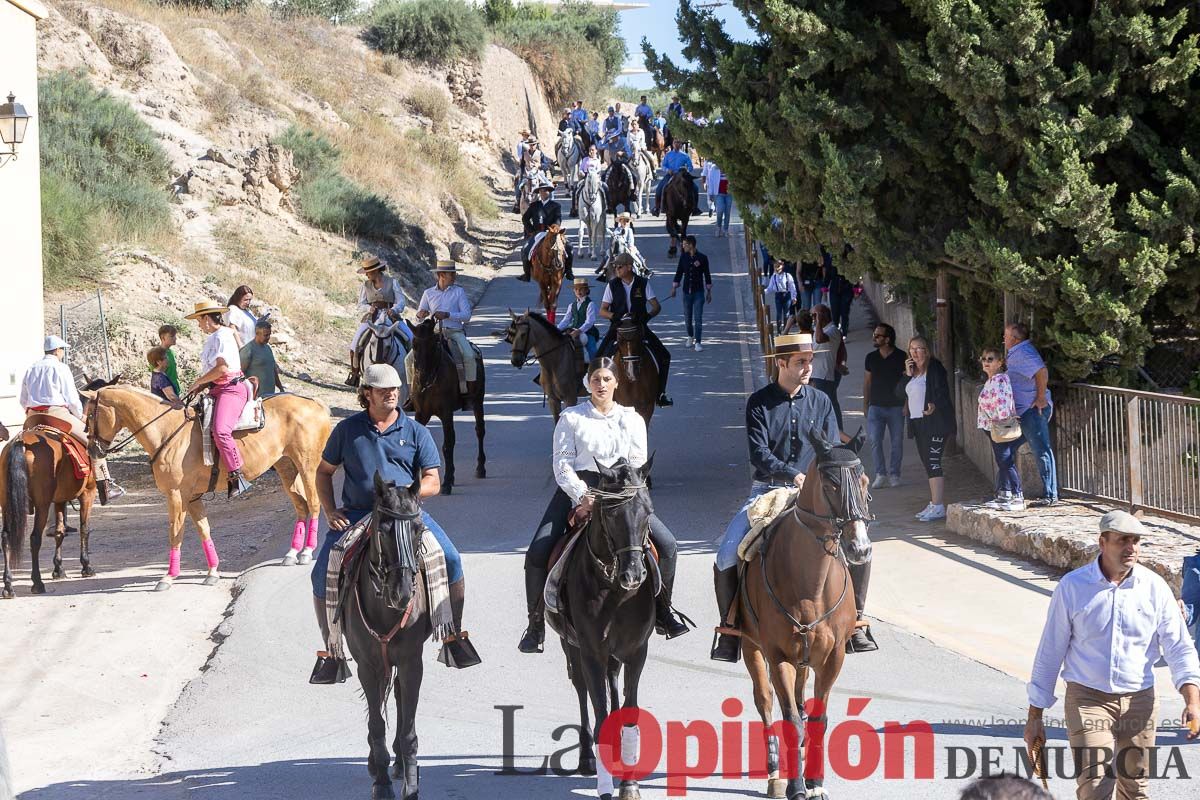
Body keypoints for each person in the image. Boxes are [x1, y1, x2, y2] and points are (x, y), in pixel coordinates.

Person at [710, 333, 876, 661]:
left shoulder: (822, 401)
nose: (807, 368)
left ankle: (857, 622)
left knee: (862, 548)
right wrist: (793, 474)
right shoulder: (759, 403)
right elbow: (758, 453)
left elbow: (829, 450)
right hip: (768, 491)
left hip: (816, 495)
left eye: (810, 361)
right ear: (780, 363)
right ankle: (729, 628)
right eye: (800, 362)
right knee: (726, 553)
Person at [310, 363, 478, 682]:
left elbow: (433, 480)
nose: (391, 394)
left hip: (405, 513)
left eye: (395, 389)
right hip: (358, 513)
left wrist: (409, 494)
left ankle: (452, 636)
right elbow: (323, 472)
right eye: (383, 389)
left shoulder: (416, 431)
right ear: (366, 394)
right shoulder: (347, 430)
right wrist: (330, 511)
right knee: (322, 573)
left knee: (452, 559)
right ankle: (332, 652)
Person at [517, 356, 691, 654]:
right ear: (588, 382)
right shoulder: (571, 418)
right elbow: (562, 464)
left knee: (668, 545)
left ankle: (664, 610)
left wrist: (624, 495)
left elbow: (637, 465)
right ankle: (535, 624)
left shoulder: (632, 419)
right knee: (538, 551)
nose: (601, 384)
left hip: (622, 494)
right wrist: (582, 495)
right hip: (579, 489)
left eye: (607, 379)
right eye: (596, 379)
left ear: (616, 383)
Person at [1024, 511, 1200, 800]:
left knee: (1135, 789)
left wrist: (1192, 700)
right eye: (1122, 540)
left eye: (1135, 541)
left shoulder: (1154, 589)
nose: (1131, 548)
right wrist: (1035, 716)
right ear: (1102, 542)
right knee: (1095, 789)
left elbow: (1179, 647)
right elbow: (1050, 651)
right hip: (1087, 699)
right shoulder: (1073, 587)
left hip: (1140, 700)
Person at [185, 300, 253, 498]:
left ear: (207, 318)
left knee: (221, 431)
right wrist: (202, 385)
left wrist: (198, 382)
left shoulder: (223, 335)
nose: (198, 325)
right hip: (217, 388)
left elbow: (222, 368)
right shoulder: (215, 337)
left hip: (231, 389)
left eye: (199, 320)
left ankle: (236, 475)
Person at [597, 254, 673, 407]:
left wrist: (646, 317)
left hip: (638, 327)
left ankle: (660, 393)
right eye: (615, 267)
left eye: (619, 266)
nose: (616, 269)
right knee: (598, 357)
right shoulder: (612, 285)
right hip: (618, 328)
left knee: (664, 355)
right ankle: (598, 395)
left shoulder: (643, 283)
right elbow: (602, 311)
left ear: (629, 267)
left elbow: (656, 306)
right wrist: (614, 316)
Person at [897, 336, 955, 521]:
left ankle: (939, 506)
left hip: (935, 423)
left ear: (927, 351)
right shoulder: (912, 373)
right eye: (912, 349)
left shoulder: (935, 368)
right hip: (918, 423)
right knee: (927, 464)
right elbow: (897, 393)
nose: (915, 352)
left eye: (919, 348)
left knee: (933, 461)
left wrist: (934, 404)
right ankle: (934, 503)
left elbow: (942, 391)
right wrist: (906, 375)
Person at [1004, 322, 1058, 507]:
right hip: (1024, 411)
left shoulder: (1023, 352)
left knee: (1041, 449)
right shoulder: (1018, 352)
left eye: (1006, 335)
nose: (1003, 338)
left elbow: (1041, 371)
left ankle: (1050, 495)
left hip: (1032, 409)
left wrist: (1041, 397)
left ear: (1014, 338)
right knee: (1006, 450)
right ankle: (1006, 491)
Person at [405, 261, 476, 395]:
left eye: (454, 273)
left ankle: (470, 392)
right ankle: (412, 394)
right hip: (434, 333)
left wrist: (448, 315)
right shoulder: (428, 293)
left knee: (469, 355)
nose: (455, 276)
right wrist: (420, 314)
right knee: (408, 359)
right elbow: (419, 316)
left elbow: (466, 316)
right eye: (452, 273)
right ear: (441, 275)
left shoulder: (459, 292)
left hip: (455, 332)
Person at [347, 255, 411, 386]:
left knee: (411, 339)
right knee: (355, 344)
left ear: (376, 271)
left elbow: (401, 301)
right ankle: (355, 374)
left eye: (368, 272)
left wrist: (394, 309)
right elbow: (360, 304)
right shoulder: (365, 285)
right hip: (372, 318)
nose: (366, 275)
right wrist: (368, 308)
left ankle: (413, 374)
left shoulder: (392, 282)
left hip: (391, 316)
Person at [976, 347, 1025, 511]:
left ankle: (1018, 496)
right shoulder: (990, 381)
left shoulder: (1000, 379)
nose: (986, 362)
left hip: (999, 426)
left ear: (1000, 362)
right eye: (983, 359)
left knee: (1005, 461)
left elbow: (1003, 402)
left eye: (990, 359)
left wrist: (1000, 420)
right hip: (991, 426)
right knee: (1002, 460)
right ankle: (1005, 493)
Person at [863, 323, 906, 489]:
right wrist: (865, 404)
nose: (874, 337)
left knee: (897, 442)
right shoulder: (870, 358)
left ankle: (895, 474)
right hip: (876, 407)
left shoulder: (902, 357)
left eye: (878, 335)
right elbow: (867, 382)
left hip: (897, 407)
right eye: (874, 334)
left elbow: (907, 382)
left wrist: (907, 404)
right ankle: (880, 474)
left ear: (887, 339)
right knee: (875, 440)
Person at [519, 179, 574, 283]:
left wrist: (555, 228)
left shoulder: (556, 205)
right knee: (525, 249)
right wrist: (531, 230)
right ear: (539, 193)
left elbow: (558, 219)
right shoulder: (534, 205)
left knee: (569, 247)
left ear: (549, 192)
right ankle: (527, 274)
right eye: (541, 191)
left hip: (552, 233)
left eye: (546, 191)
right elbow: (525, 218)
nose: (543, 193)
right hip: (537, 234)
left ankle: (569, 271)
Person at [669, 235, 713, 352]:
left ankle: (698, 342)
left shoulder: (703, 258)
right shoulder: (683, 257)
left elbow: (707, 275)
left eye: (684, 245)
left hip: (699, 293)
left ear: (691, 245)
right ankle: (690, 336)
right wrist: (674, 287)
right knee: (687, 318)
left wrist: (709, 291)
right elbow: (679, 272)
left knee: (698, 318)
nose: (683, 247)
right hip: (686, 293)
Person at [809, 304, 848, 430]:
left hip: (824, 375)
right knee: (826, 405)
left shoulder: (832, 330)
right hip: (818, 374)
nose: (813, 318)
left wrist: (819, 321)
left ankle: (838, 434)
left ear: (822, 315)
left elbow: (820, 339)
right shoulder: (821, 329)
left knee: (829, 405)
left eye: (814, 315)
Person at [652, 139, 699, 216]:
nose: (677, 144)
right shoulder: (668, 155)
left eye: (679, 142)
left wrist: (686, 169)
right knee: (659, 188)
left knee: (695, 188)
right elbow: (663, 165)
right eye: (675, 142)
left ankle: (695, 208)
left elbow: (690, 167)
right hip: (671, 175)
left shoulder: (685, 156)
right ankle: (657, 208)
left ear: (681, 145)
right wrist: (668, 170)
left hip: (682, 175)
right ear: (673, 144)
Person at [558, 277, 599, 361]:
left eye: (581, 289)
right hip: (573, 329)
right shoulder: (571, 305)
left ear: (587, 290)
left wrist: (579, 331)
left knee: (592, 349)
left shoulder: (590, 304)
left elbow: (589, 322)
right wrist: (557, 329)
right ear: (574, 291)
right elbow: (566, 320)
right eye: (576, 289)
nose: (578, 291)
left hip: (588, 331)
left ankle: (594, 367)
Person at [240, 319, 285, 397]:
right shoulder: (248, 350)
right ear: (257, 333)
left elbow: (273, 370)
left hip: (269, 396)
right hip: (255, 397)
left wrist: (281, 388)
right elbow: (239, 374)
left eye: (269, 334)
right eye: (265, 335)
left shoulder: (268, 348)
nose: (268, 337)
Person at [765, 261, 797, 335]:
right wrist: (764, 291)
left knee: (786, 314)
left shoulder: (787, 275)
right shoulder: (773, 277)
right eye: (775, 266)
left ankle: (785, 331)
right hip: (778, 296)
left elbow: (792, 287)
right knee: (779, 314)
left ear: (782, 266)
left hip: (786, 295)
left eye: (778, 266)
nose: (777, 268)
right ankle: (779, 332)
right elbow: (770, 288)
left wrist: (793, 297)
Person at [157, 324, 181, 390]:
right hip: (165, 393)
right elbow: (158, 376)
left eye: (175, 336)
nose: (175, 338)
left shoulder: (171, 352)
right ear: (163, 337)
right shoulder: (158, 354)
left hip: (174, 390)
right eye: (172, 336)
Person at [713, 166, 733, 236]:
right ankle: (718, 228)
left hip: (729, 194)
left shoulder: (730, 168)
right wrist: (711, 194)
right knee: (720, 211)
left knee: (727, 213)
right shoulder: (715, 168)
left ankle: (726, 230)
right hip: (719, 194)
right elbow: (711, 180)